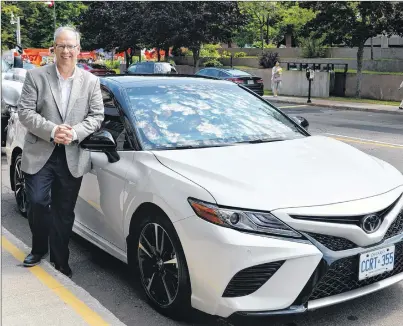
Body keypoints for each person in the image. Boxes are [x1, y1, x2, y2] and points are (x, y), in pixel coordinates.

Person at [17, 26, 104, 277]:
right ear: (53, 48)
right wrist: (53, 130)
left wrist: (74, 132)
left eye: (71, 46)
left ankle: (60, 258)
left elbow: (97, 116)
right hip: (40, 152)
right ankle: (38, 247)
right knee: (36, 202)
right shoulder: (36, 77)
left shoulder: (90, 81)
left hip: (72, 153)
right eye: (62, 46)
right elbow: (25, 112)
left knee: (64, 212)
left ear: (79, 50)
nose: (67, 51)